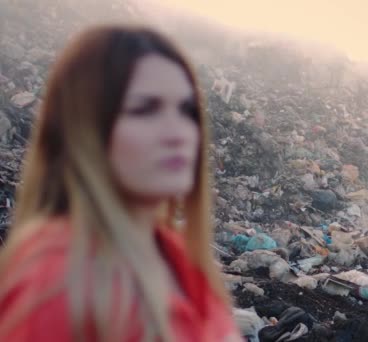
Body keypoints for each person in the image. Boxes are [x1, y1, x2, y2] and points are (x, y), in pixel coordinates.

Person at [0, 25, 241, 341]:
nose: (178, 132)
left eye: (187, 110)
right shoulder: (58, 285)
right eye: (144, 109)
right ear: (84, 128)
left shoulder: (174, 254)